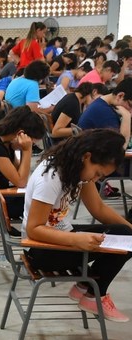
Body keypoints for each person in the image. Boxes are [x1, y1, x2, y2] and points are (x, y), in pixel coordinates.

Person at [23, 129, 132, 322]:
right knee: (124, 238)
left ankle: (87, 288)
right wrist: (75, 239)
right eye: (97, 173)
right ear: (87, 156)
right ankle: (93, 293)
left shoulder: (76, 168)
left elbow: (98, 208)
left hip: (61, 238)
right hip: (42, 250)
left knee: (125, 235)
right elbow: (34, 229)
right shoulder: (52, 176)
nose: (95, 180)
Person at [0, 106, 45, 222]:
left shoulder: (5, 143)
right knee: (43, 202)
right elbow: (21, 182)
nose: (31, 144)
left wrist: (22, 149)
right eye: (32, 142)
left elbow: (17, 173)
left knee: (41, 195)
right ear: (21, 133)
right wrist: (27, 150)